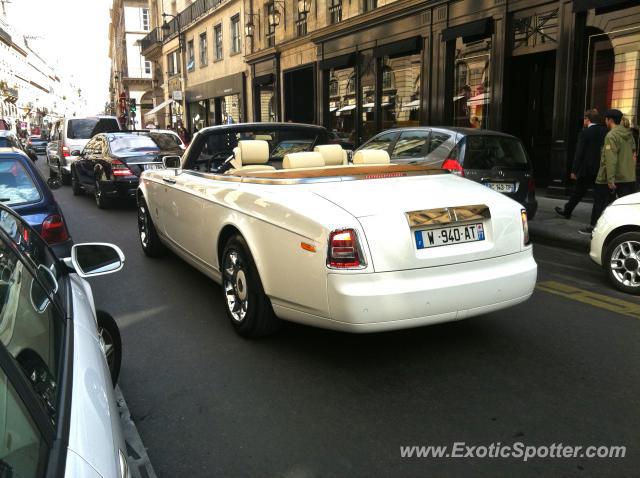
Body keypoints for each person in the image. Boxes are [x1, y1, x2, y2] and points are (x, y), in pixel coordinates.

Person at [579, 109, 637, 235]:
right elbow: (634, 155)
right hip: (628, 178)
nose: (605, 122)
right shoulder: (629, 134)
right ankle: (620, 232)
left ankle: (594, 228)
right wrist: (630, 173)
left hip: (608, 178)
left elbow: (611, 159)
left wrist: (610, 180)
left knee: (600, 204)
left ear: (609, 120)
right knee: (624, 207)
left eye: (605, 119)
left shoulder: (611, 135)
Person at [555, 109, 606, 220]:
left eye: (584, 118)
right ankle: (596, 220)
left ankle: (567, 211)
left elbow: (579, 153)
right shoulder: (604, 131)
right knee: (599, 197)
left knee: (578, 192)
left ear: (587, 119)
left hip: (586, 168)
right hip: (601, 168)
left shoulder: (585, 132)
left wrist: (574, 170)